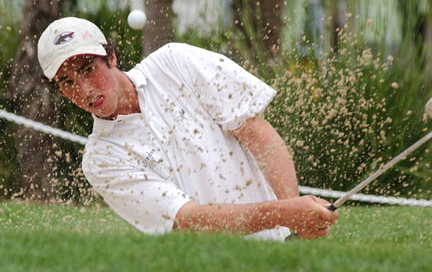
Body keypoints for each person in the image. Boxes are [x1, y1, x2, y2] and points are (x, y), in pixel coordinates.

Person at [37, 17, 338, 241]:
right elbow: (189, 218)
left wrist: (298, 219)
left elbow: (256, 132)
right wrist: (285, 213)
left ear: (111, 56)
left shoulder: (175, 63)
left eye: (88, 69)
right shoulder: (100, 159)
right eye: (67, 82)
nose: (85, 89)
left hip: (281, 246)